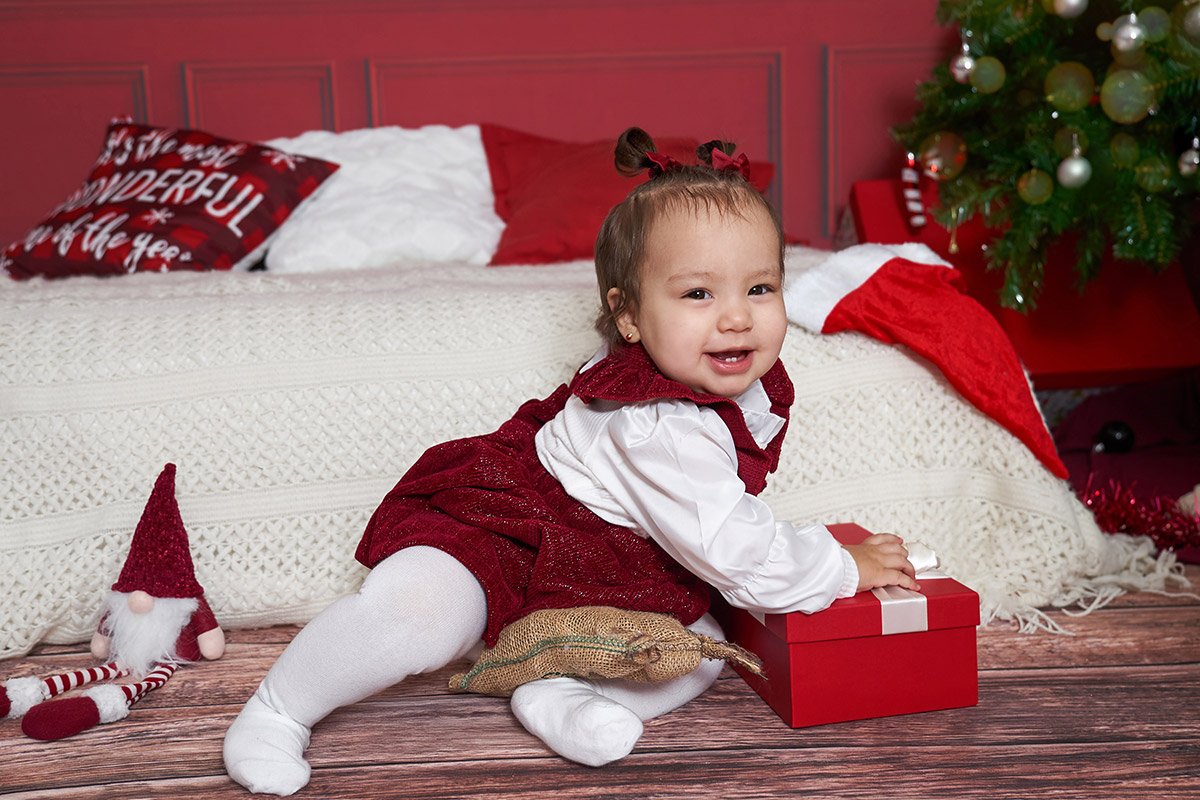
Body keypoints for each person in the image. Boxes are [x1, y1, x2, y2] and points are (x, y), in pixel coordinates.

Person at [223, 127, 917, 796]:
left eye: (759, 289)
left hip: (614, 559)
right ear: (629, 318)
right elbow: (734, 546)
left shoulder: (690, 377)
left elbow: (709, 517)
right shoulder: (658, 427)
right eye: (698, 294)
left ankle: (558, 688)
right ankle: (279, 709)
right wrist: (838, 565)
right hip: (509, 530)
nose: (736, 316)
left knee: (696, 647)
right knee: (420, 615)